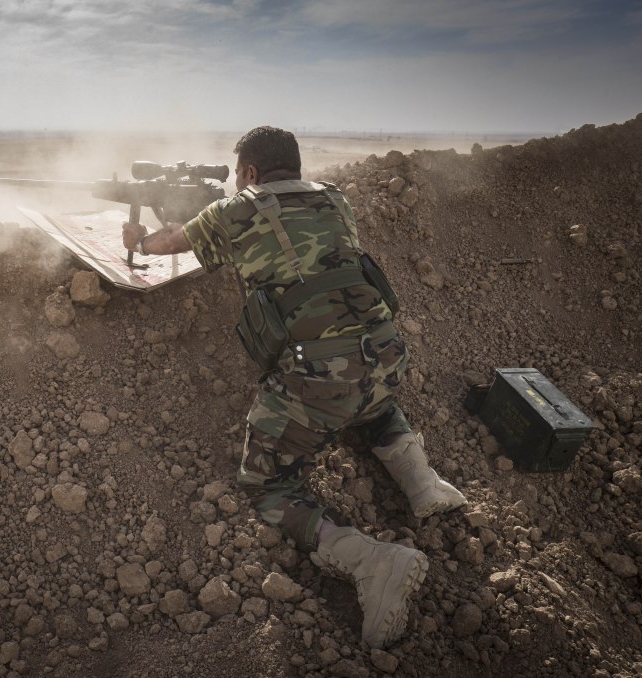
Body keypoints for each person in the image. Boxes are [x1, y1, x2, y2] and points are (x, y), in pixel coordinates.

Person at [121, 126, 466, 648]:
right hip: (386, 352)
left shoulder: (234, 209)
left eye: (240, 176)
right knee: (374, 401)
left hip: (316, 380)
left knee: (266, 483)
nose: (239, 184)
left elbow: (172, 244)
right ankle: (423, 485)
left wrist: (139, 239)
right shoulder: (336, 198)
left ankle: (369, 560)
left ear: (251, 174)